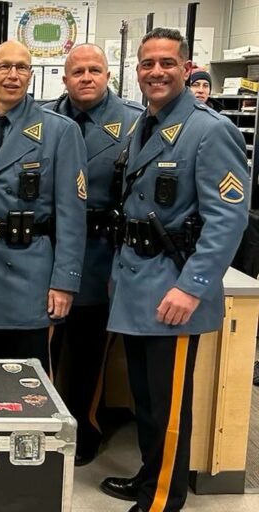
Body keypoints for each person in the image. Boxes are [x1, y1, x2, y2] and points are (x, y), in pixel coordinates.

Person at [100, 28, 249, 512]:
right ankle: (151, 475)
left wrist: (193, 288)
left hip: (174, 288)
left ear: (187, 69)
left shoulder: (209, 129)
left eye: (167, 63)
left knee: (168, 406)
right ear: (137, 71)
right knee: (146, 398)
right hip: (138, 282)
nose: (156, 72)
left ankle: (163, 498)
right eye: (147, 64)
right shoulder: (145, 123)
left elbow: (228, 219)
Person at [0, 40, 87, 371]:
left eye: (21, 68)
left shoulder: (60, 131)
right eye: (3, 67)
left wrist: (64, 282)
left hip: (29, 273)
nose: (12, 75)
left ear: (31, 75)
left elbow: (72, 216)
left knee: (28, 381)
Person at [44, 44, 143, 466]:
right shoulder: (44, 119)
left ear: (108, 77)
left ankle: (85, 427)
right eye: (78, 71)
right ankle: (45, 424)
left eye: (95, 70)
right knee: (45, 347)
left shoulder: (136, 122)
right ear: (64, 79)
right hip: (47, 249)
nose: (87, 77)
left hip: (102, 251)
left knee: (87, 352)